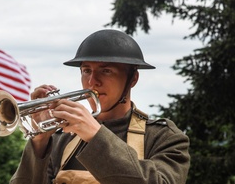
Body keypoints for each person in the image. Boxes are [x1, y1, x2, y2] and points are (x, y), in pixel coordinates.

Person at [10, 29, 190, 184]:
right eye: (86, 70)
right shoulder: (62, 139)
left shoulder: (163, 137)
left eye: (106, 71)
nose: (92, 82)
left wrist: (96, 136)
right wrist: (40, 142)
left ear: (133, 79)